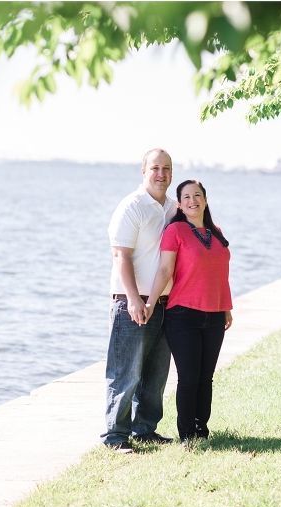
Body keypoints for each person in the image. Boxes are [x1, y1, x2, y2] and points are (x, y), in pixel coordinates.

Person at [101, 148, 177, 453]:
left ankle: (145, 430)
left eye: (167, 169)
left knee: (156, 374)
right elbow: (121, 255)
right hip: (130, 301)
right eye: (155, 168)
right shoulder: (132, 206)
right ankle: (115, 436)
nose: (161, 174)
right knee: (125, 371)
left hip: (164, 302)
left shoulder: (173, 208)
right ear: (143, 171)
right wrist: (134, 299)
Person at [145, 179, 233, 444]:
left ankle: (201, 430)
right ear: (180, 204)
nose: (192, 200)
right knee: (189, 378)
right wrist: (149, 302)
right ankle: (187, 435)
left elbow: (221, 273)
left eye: (197, 195)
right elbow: (164, 270)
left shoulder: (215, 231)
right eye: (186, 197)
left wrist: (226, 307)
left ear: (205, 200)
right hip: (183, 314)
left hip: (215, 315)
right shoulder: (175, 231)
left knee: (207, 378)